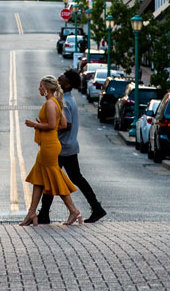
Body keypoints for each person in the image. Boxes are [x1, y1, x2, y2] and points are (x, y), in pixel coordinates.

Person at [39, 69, 106, 224]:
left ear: (67, 83)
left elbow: (67, 125)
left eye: (63, 76)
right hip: (68, 146)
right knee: (74, 178)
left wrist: (47, 126)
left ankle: (44, 214)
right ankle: (96, 208)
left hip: (63, 147)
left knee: (51, 178)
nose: (59, 76)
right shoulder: (66, 99)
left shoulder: (65, 102)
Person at [19, 75, 83, 226]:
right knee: (38, 179)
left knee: (55, 177)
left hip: (49, 146)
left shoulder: (50, 103)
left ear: (46, 88)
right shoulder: (56, 102)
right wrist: (45, 124)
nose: (39, 89)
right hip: (50, 144)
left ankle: (73, 210)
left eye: (40, 86)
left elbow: (52, 125)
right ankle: (32, 212)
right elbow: (63, 124)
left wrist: (34, 124)